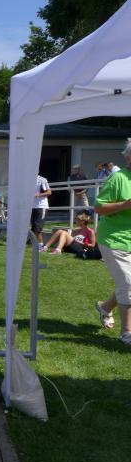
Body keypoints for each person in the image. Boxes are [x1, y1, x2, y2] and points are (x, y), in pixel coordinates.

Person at [93, 139, 131, 344]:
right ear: (129, 157)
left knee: (128, 283)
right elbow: (99, 208)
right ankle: (127, 333)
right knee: (128, 283)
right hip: (114, 240)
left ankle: (105, 307)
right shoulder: (118, 178)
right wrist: (125, 205)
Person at [31, 173, 51, 250]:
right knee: (33, 228)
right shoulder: (28, 180)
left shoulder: (42, 180)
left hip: (41, 206)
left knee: (37, 228)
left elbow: (49, 192)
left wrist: (38, 195)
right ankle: (37, 245)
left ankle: (41, 247)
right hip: (32, 207)